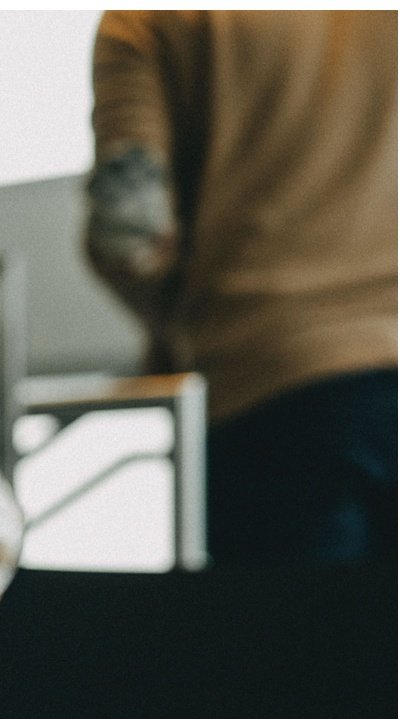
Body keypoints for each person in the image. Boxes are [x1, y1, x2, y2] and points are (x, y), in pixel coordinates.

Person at [86, 10, 397, 566]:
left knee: (292, 651)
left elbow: (126, 228)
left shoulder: (146, 20)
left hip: (274, 393)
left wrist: (165, 327)